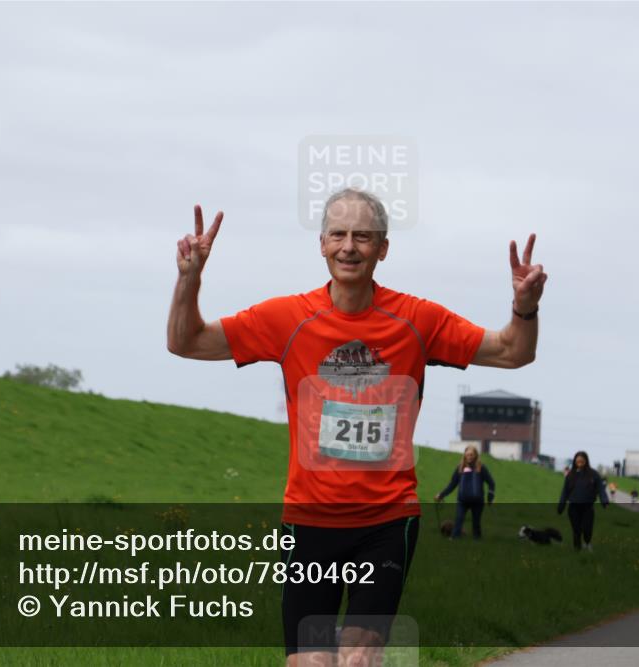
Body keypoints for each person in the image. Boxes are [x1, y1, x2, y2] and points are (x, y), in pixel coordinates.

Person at [166, 188, 547, 665]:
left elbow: (513, 352)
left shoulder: (417, 320)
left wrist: (524, 308)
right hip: (309, 522)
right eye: (339, 235)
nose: (349, 247)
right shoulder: (286, 318)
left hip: (385, 521)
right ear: (322, 244)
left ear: (383, 248)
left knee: (357, 658)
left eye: (363, 236)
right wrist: (189, 279)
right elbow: (186, 342)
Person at [434, 445, 496, 539]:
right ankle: (454, 539)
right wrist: (441, 495)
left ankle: (477, 541)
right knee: (458, 520)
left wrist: (490, 497)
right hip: (462, 501)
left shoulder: (481, 468)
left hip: (478, 502)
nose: (469, 457)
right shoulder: (460, 468)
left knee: (476, 524)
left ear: (475, 455)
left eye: (471, 455)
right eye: (467, 455)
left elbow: (491, 483)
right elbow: (452, 484)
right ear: (464, 456)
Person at [557, 451, 609, 551]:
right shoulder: (570, 475)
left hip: (587, 507)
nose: (580, 463)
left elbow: (601, 489)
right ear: (575, 461)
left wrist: (604, 500)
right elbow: (565, 492)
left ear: (586, 461)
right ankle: (577, 550)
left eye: (582, 461)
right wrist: (561, 506)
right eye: (578, 461)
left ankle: (587, 543)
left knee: (587, 528)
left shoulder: (593, 474)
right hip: (573, 507)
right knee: (576, 529)